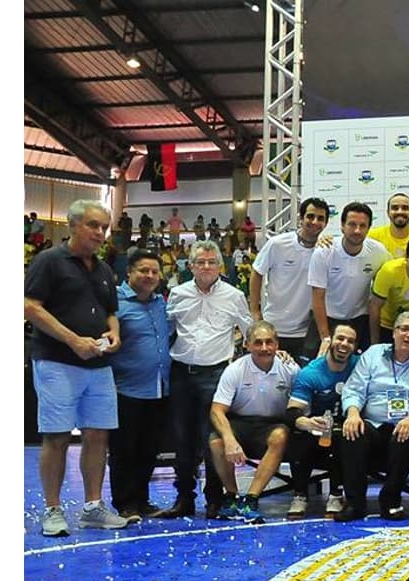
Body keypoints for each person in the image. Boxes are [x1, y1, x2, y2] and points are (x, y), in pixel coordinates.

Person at [24, 199, 133, 536]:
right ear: (72, 226)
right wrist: (73, 340)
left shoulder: (103, 269)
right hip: (57, 362)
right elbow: (29, 306)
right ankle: (53, 511)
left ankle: (93, 507)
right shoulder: (49, 261)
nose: (101, 233)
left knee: (98, 434)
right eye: (93, 226)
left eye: (104, 227)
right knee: (56, 436)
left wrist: (114, 333)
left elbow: (111, 311)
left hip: (98, 364)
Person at [157, 240, 254, 519]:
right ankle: (184, 498)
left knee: (212, 439)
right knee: (181, 439)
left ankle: (215, 498)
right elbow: (167, 329)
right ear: (190, 266)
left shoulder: (235, 295)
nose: (207, 267)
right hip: (181, 373)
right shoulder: (176, 293)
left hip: (216, 375)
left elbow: (250, 331)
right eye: (201, 262)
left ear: (220, 266)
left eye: (212, 262)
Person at [336, 311, 409, 522]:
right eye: (404, 329)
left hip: (405, 424)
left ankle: (391, 501)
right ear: (394, 332)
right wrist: (353, 413)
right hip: (372, 424)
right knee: (350, 432)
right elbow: (354, 389)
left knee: (406, 435)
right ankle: (355, 503)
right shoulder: (374, 354)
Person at [206, 321, 300, 523]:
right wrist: (230, 440)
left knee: (280, 435)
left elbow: (302, 403)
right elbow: (216, 410)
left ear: (277, 344)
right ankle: (231, 496)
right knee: (217, 442)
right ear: (247, 345)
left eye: (269, 342)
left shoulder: (290, 368)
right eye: (258, 343)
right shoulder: (235, 370)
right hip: (240, 422)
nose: (264, 348)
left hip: (272, 424)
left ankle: (251, 499)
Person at [107, 249, 170, 519]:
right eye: (144, 270)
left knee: (148, 450)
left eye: (155, 271)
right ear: (129, 272)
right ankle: (125, 503)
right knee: (124, 450)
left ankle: (142, 500)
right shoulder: (115, 304)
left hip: (158, 389)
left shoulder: (160, 303)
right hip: (126, 389)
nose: (150, 276)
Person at [283, 322, 360, 519]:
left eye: (350, 341)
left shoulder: (360, 366)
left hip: (347, 425)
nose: (344, 344)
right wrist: (305, 422)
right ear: (330, 341)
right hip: (316, 425)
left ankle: (336, 494)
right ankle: (300, 494)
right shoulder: (310, 373)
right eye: (340, 338)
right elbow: (292, 411)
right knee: (299, 435)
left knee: (344, 435)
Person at [250, 198, 329, 361]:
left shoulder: (326, 250)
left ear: (326, 223)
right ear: (301, 218)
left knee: (301, 381)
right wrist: (255, 311)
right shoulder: (278, 244)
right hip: (275, 328)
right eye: (310, 216)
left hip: (307, 332)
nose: (315, 222)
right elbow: (257, 272)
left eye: (321, 218)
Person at [309, 201, 390, 353]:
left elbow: (391, 278)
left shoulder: (378, 252)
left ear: (368, 228)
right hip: (328, 319)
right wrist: (325, 337)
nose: (357, 230)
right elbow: (317, 297)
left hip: (360, 320)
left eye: (362, 226)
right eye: (352, 224)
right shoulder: (324, 251)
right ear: (342, 225)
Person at [367, 193, 409, 258]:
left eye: (405, 208)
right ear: (388, 212)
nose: (400, 212)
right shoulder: (373, 237)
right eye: (395, 208)